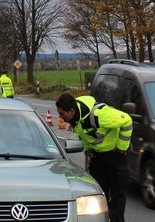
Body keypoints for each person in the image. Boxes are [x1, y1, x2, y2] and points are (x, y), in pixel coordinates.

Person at [56, 93, 132, 222]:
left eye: (62, 113)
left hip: (115, 156)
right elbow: (84, 134)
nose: (60, 117)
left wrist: (122, 146)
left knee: (117, 196)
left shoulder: (99, 115)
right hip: (98, 157)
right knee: (98, 195)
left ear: (72, 111)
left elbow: (127, 120)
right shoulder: (76, 117)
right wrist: (88, 149)